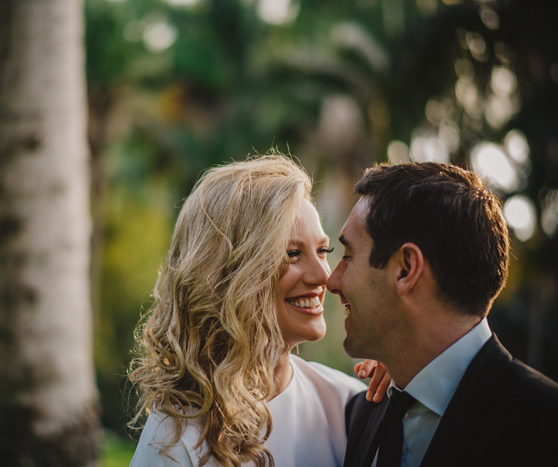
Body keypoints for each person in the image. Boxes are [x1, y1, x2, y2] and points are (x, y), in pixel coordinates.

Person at [128, 154, 389, 467]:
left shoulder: (348, 404)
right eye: (292, 254)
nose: (324, 276)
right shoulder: (175, 439)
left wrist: (406, 384)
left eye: (323, 251)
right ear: (228, 273)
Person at [326, 162, 558, 467]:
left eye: (347, 256)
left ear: (406, 269)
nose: (332, 281)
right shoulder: (363, 412)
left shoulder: (545, 425)